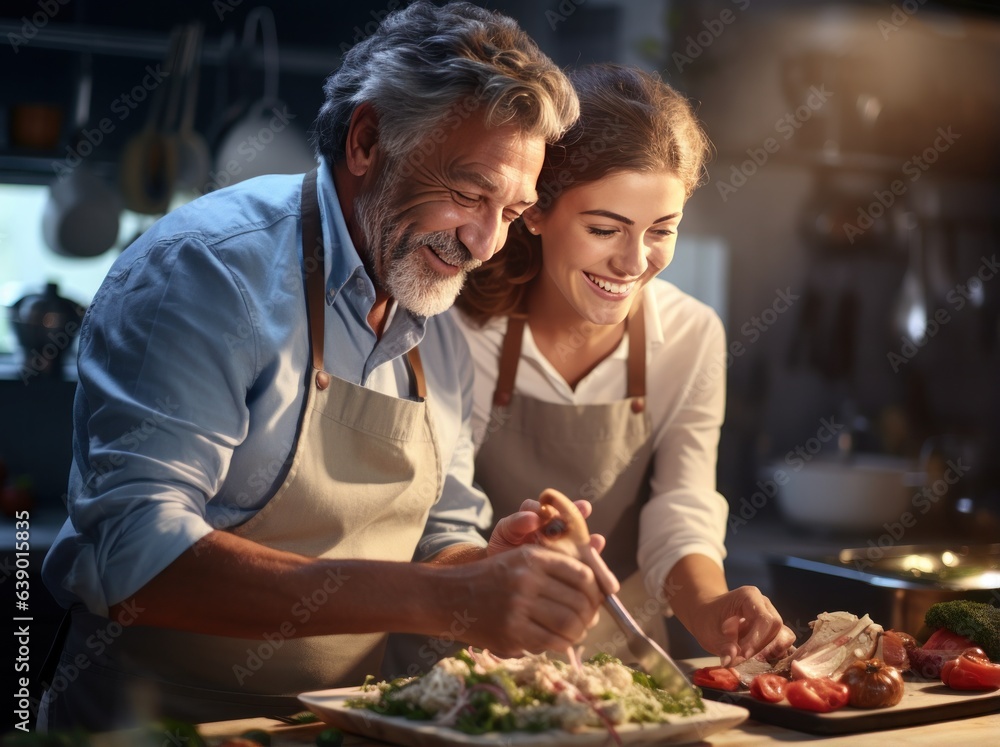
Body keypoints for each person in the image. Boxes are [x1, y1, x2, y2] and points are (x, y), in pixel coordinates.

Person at [37, 2, 606, 730]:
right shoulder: (206, 272)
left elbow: (441, 531)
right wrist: (444, 598)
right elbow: (134, 553)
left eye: (512, 207)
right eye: (468, 194)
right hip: (157, 727)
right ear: (368, 140)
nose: (486, 241)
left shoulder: (437, 310)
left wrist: (489, 569)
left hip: (344, 728)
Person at [454, 64, 795, 667]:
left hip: (624, 667)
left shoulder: (690, 335)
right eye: (604, 229)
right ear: (535, 212)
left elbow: (681, 506)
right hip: (472, 659)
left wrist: (713, 607)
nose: (633, 262)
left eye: (662, 230)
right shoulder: (459, 327)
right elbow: (442, 512)